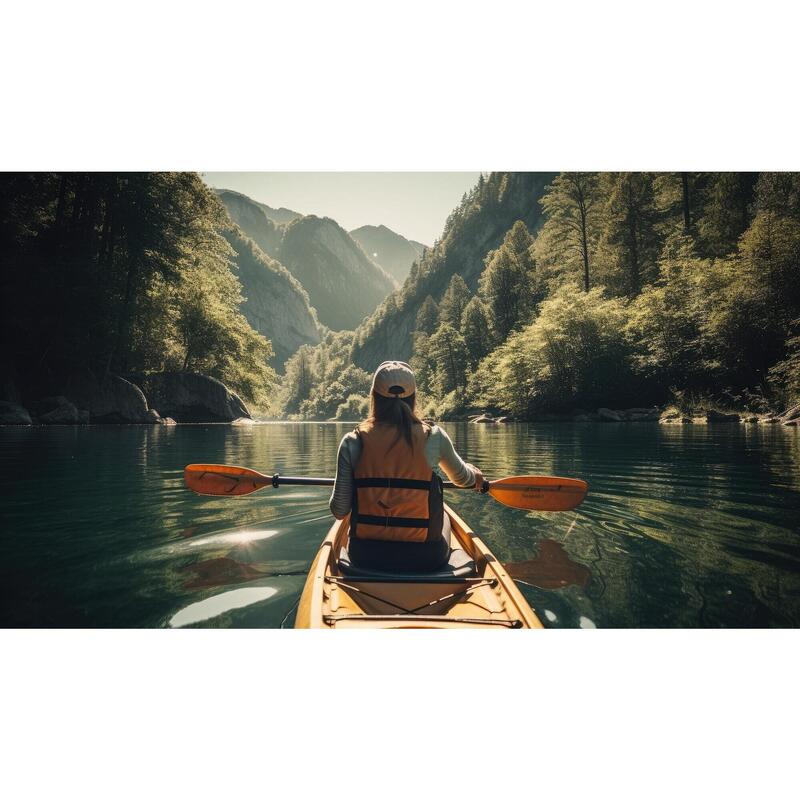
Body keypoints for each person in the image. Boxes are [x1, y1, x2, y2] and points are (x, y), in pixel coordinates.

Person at [329, 360, 485, 572]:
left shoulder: (352, 440)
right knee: (445, 515)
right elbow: (462, 479)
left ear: (374, 397)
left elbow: (340, 510)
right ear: (413, 398)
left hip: (365, 556)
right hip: (425, 558)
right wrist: (474, 475)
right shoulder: (434, 436)